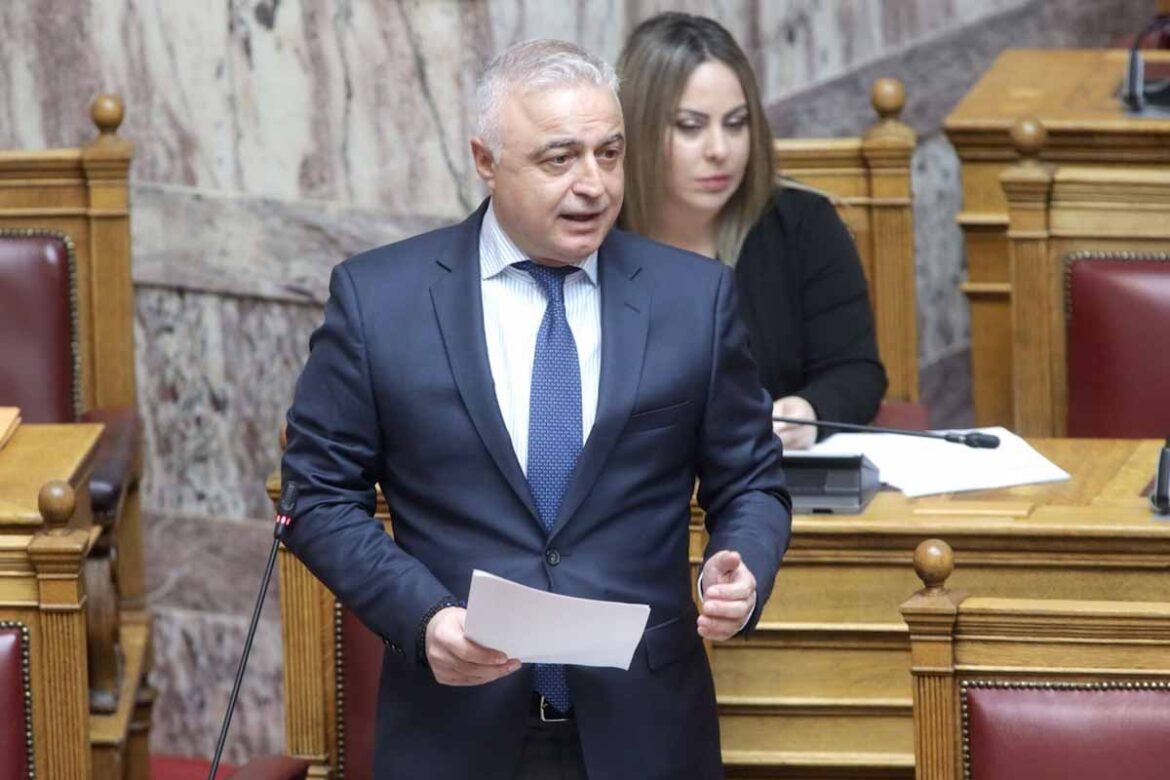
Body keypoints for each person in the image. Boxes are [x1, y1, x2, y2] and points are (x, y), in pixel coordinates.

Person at [281, 39, 790, 780]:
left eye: (609, 154)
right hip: (453, 731)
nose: (594, 185)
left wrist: (740, 568)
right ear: (485, 161)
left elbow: (751, 482)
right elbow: (316, 498)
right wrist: (423, 618)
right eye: (560, 159)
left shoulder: (694, 298)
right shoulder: (380, 302)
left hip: (646, 731)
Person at [617, 13, 888, 450]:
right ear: (637, 128)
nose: (719, 150)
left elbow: (856, 372)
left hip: (770, 479)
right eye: (690, 126)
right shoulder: (591, 236)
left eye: (736, 123)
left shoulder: (802, 222)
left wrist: (808, 411)